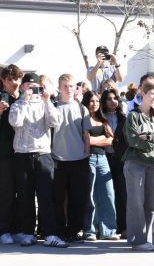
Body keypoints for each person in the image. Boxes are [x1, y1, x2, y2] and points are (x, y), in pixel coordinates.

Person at [9, 73, 67, 248]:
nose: (32, 89)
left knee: (46, 197)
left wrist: (47, 99)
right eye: (28, 86)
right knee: (25, 197)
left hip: (43, 154)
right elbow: (15, 122)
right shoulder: (17, 104)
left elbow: (56, 121)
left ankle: (50, 234)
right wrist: (24, 101)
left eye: (35, 86)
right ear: (22, 87)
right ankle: (28, 233)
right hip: (22, 155)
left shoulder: (45, 103)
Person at [123, 81, 154, 251]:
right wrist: (152, 143)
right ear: (143, 94)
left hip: (152, 162)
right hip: (135, 163)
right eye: (151, 94)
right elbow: (132, 139)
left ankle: (146, 238)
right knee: (136, 202)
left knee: (150, 204)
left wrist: (148, 138)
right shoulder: (133, 115)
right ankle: (137, 240)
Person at [52, 73, 92, 243]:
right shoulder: (52, 107)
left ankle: (74, 231)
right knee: (57, 199)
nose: (69, 89)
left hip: (79, 159)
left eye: (72, 86)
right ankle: (59, 231)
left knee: (78, 198)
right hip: (57, 160)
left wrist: (86, 154)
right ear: (59, 87)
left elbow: (86, 134)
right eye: (66, 86)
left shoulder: (82, 108)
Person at [81, 91, 119, 241]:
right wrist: (101, 139)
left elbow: (111, 140)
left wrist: (94, 140)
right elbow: (85, 141)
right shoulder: (82, 119)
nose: (94, 104)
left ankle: (108, 231)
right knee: (89, 195)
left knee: (108, 194)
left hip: (103, 159)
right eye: (91, 101)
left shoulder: (102, 119)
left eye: (97, 101)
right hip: (88, 158)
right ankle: (89, 231)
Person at [0, 64, 23, 245]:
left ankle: (18, 228)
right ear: (3, 81)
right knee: (7, 193)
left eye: (16, 78)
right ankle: (4, 230)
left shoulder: (26, 98)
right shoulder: (1, 98)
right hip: (5, 154)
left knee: (22, 192)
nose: (13, 82)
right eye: (9, 79)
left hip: (23, 152)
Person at [100, 88, 128, 238]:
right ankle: (106, 227)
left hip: (120, 159)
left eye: (115, 98)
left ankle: (123, 226)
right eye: (109, 99)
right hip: (104, 158)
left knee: (122, 193)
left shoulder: (124, 118)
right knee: (106, 194)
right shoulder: (100, 118)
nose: (112, 101)